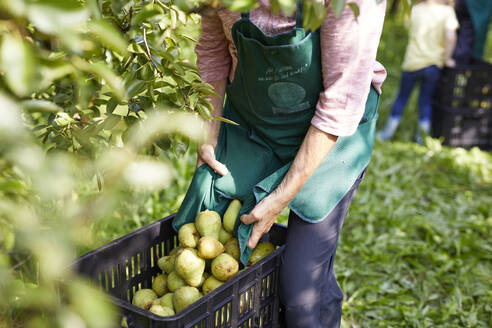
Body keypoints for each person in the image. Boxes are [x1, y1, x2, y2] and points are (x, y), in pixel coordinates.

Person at [172, 0, 386, 327]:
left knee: (302, 292)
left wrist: (281, 197)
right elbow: (214, 51)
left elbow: (339, 105)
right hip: (255, 122)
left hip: (333, 133)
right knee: (204, 221)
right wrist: (209, 133)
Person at [378, 0, 459, 143]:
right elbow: (450, 36)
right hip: (433, 65)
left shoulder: (416, 9)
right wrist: (447, 59)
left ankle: (387, 134)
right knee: (425, 102)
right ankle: (421, 138)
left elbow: (409, 27)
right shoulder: (447, 12)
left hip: (412, 63)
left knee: (401, 98)